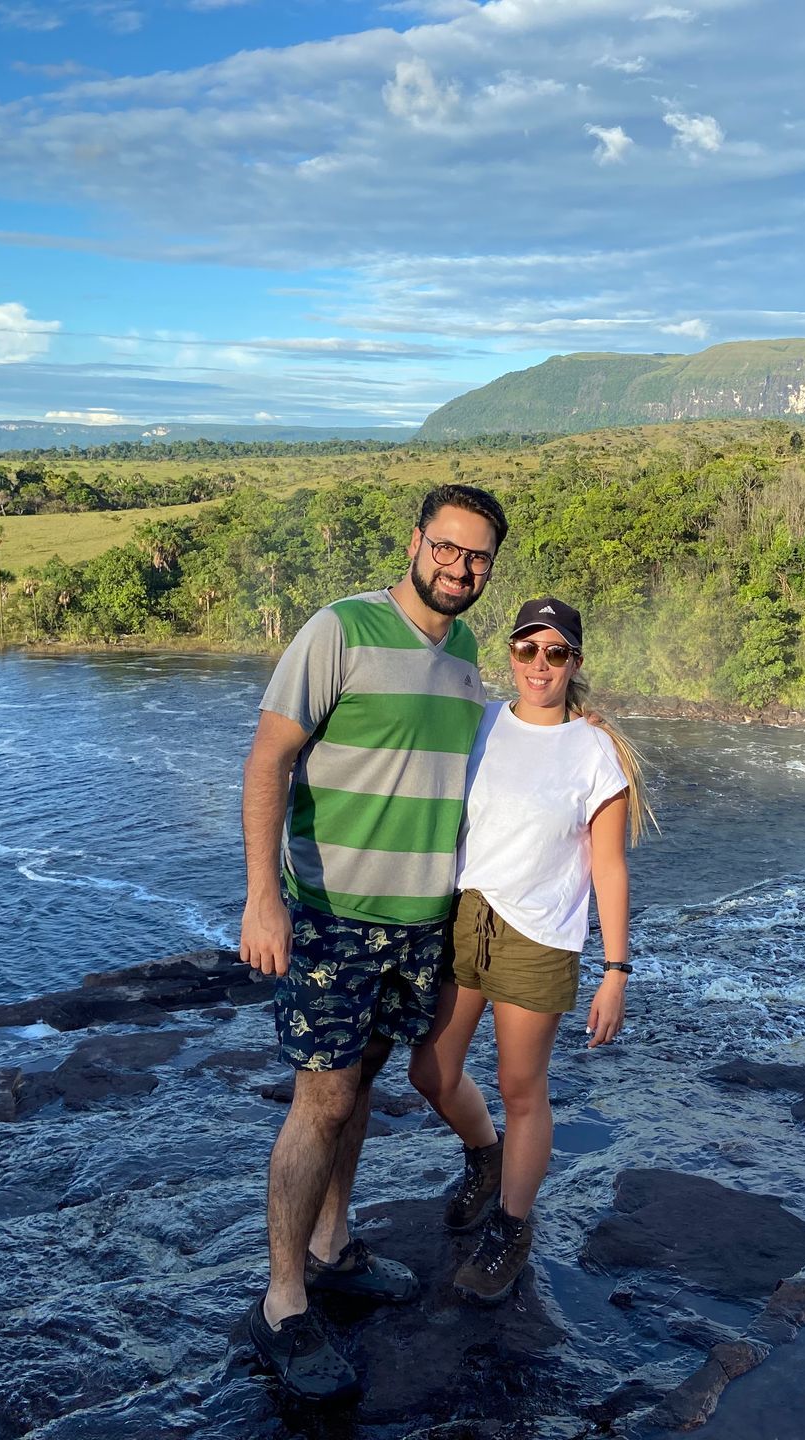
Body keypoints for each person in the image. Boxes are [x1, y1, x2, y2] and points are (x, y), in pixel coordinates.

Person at [237, 483, 507, 1401]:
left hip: (417, 923)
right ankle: (281, 1303)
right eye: (446, 547)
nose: (458, 567)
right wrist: (262, 898)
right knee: (319, 1100)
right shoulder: (338, 631)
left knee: (358, 1087)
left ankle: (331, 1244)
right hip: (331, 915)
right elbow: (268, 759)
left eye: (476, 557)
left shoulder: (467, 653)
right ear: (416, 542)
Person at [409, 595, 654, 1304]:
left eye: (555, 653)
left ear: (575, 662)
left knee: (522, 1090)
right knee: (431, 1069)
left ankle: (512, 1226)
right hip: (465, 918)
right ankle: (485, 1159)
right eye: (527, 650)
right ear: (509, 654)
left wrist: (616, 971)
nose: (538, 666)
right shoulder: (480, 722)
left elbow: (610, 866)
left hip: (540, 934)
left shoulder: (595, 748)